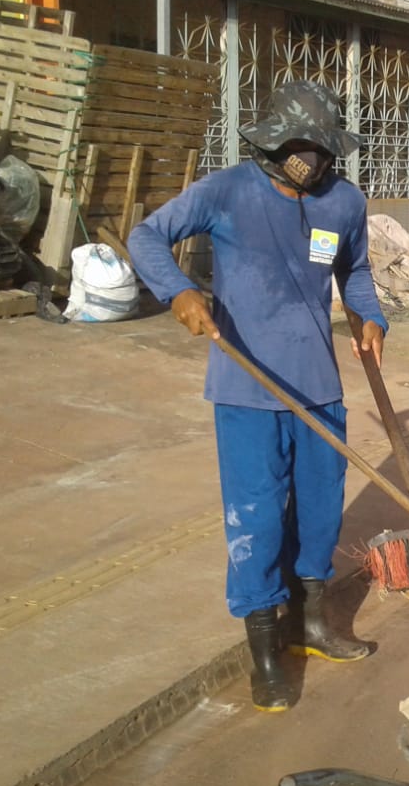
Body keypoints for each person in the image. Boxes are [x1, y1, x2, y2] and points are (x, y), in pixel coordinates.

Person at [127, 81, 388, 713]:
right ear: (274, 142)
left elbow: (353, 271)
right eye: (307, 149)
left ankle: (313, 625)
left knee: (321, 513)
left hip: (318, 386)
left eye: (326, 151)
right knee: (259, 520)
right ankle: (267, 651)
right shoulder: (226, 191)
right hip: (247, 387)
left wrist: (368, 315)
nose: (317, 164)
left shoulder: (343, 203)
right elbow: (145, 239)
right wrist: (179, 292)